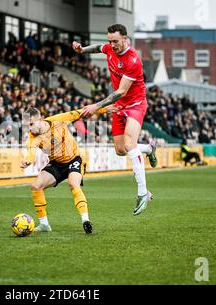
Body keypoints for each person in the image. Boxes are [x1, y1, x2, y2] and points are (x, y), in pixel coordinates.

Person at [72, 23, 157, 216]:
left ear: (126, 39)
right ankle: (149, 149)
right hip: (120, 106)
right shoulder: (110, 47)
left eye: (116, 41)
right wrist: (82, 50)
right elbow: (98, 48)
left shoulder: (133, 60)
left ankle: (143, 192)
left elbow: (121, 92)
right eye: (110, 41)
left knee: (129, 143)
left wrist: (97, 106)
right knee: (120, 150)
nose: (112, 45)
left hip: (135, 104)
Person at [22, 108, 106, 235]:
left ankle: (85, 220)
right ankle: (44, 224)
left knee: (73, 184)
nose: (29, 128)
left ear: (40, 119)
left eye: (31, 124)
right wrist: (28, 160)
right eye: (27, 125)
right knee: (36, 186)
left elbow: (82, 112)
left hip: (74, 159)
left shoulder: (58, 120)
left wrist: (104, 108)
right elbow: (31, 151)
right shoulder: (32, 137)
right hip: (56, 164)